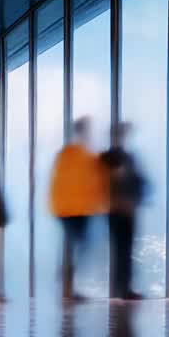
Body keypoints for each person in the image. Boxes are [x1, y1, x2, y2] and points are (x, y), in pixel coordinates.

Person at [48, 117, 109, 300]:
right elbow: (88, 183)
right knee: (75, 245)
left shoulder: (75, 155)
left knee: (75, 245)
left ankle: (66, 283)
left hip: (74, 209)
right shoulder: (79, 155)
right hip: (73, 210)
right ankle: (66, 284)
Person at [100, 122, 146, 299]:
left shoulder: (126, 157)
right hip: (117, 209)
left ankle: (124, 288)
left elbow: (136, 182)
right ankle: (121, 289)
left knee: (125, 250)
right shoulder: (109, 158)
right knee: (121, 250)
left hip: (126, 209)